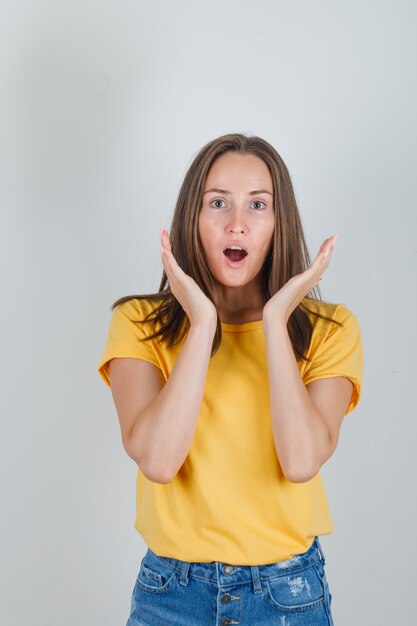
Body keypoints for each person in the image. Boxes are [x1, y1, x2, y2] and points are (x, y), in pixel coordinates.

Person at [97, 133, 364, 625]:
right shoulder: (138, 323)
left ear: (279, 222)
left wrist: (277, 317)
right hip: (169, 596)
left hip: (288, 595)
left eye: (258, 205)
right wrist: (201, 322)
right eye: (217, 203)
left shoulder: (330, 330)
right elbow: (157, 460)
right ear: (191, 219)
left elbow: (301, 460)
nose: (237, 224)